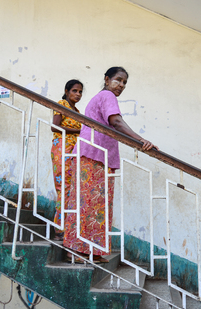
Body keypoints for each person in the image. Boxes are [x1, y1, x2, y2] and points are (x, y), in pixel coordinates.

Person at [63, 67, 158, 263]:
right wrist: (141, 141)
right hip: (91, 155)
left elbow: (114, 123)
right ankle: (75, 250)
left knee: (98, 207)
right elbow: (116, 121)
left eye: (124, 83)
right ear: (107, 79)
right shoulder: (107, 95)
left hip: (99, 157)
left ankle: (93, 251)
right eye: (118, 80)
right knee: (86, 204)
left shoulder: (104, 97)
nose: (121, 85)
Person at [51, 79, 83, 241]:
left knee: (70, 188)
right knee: (63, 187)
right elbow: (54, 127)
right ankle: (59, 228)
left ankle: (66, 227)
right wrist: (78, 131)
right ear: (67, 90)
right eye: (75, 91)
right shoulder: (61, 103)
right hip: (61, 150)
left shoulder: (76, 110)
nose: (78, 94)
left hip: (73, 152)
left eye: (80, 92)